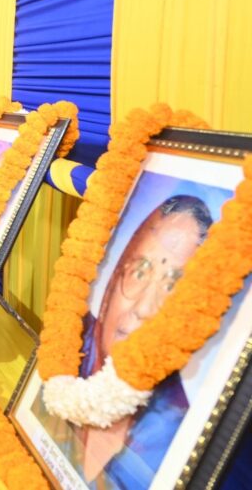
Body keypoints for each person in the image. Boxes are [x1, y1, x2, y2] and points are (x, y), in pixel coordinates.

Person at [36, 194, 211, 489]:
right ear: (113, 280)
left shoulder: (176, 429)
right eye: (139, 272)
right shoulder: (68, 345)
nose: (143, 308)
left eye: (172, 286)